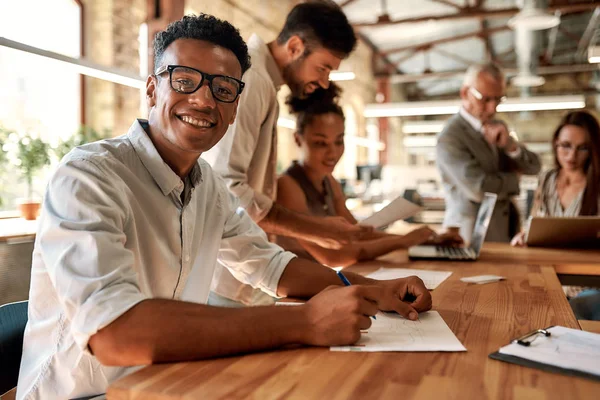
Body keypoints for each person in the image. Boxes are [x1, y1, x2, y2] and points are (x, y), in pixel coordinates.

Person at [16, 14, 432, 400]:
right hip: (83, 394)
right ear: (150, 88)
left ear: (234, 108)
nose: (203, 100)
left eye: (223, 88)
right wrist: (304, 323)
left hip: (165, 383)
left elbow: (270, 265)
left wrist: (370, 291)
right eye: (184, 80)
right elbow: (115, 332)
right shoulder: (90, 177)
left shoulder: (207, 186)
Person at [201, 1, 367, 306]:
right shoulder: (253, 82)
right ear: (294, 46)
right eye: (323, 67)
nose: (324, 82)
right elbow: (227, 189)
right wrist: (315, 228)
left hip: (243, 270)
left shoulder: (264, 83)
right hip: (223, 272)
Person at [276, 84, 463, 266]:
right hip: (292, 292)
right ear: (297, 139)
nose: (332, 153)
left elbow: (357, 234)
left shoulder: (329, 182)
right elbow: (334, 256)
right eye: (320, 143)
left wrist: (424, 240)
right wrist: (404, 241)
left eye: (339, 141)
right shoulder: (287, 185)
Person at [436, 63, 541, 244]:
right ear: (465, 93)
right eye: (485, 99)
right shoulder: (450, 138)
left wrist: (510, 146)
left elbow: (534, 166)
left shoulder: (497, 127)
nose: (493, 108)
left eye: (498, 99)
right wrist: (514, 180)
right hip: (471, 236)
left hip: (507, 230)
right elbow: (479, 189)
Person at [510, 110, 600, 321]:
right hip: (548, 279)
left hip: (588, 283)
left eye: (582, 148)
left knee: (577, 312)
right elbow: (534, 224)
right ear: (556, 144)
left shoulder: (597, 184)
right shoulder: (547, 179)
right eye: (566, 146)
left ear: (593, 149)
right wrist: (525, 236)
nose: (572, 156)